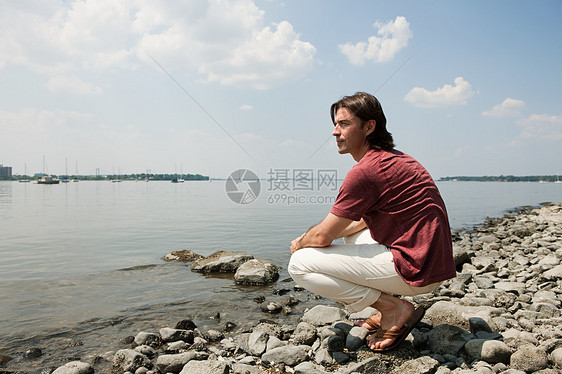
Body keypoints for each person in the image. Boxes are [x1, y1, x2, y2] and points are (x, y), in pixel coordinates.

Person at [288, 92, 456, 352]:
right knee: (350, 236)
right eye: (335, 124)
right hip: (433, 262)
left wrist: (301, 242)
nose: (335, 132)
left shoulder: (366, 171)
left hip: (416, 269)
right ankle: (387, 304)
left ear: (369, 126)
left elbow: (322, 237)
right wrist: (319, 236)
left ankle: (393, 308)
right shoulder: (393, 159)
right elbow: (354, 225)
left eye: (343, 124)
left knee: (299, 264)